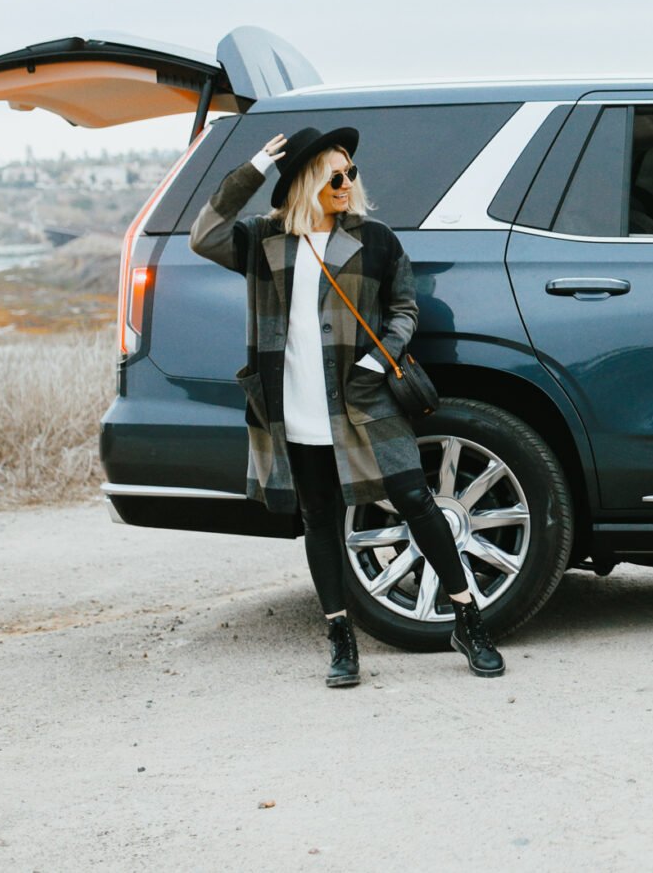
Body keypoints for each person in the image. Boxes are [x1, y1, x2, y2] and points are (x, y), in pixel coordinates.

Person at [190, 126, 506, 685]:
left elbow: (404, 309)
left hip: (363, 400)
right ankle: (340, 637)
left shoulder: (376, 239)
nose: (346, 183)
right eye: (334, 175)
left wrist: (378, 362)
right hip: (295, 405)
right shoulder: (265, 239)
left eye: (351, 173)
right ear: (307, 181)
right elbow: (204, 233)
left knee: (417, 500)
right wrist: (257, 166)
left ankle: (466, 616)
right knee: (319, 518)